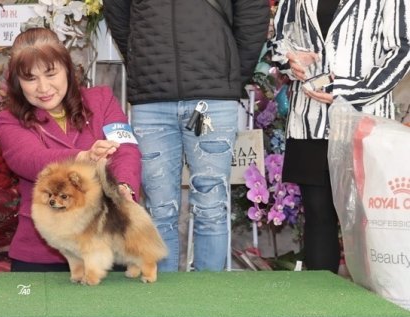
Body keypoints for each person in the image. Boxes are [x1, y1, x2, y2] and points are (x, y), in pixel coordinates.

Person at [104, 0, 269, 272]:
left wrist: (230, 75)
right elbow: (117, 12)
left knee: (211, 207)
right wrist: (141, 63)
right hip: (151, 99)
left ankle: (207, 294)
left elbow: (253, 12)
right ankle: (164, 294)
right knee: (158, 210)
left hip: (212, 99)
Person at [271, 0, 410, 272]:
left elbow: (403, 49)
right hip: (308, 118)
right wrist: (289, 61)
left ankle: (375, 293)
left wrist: (352, 90)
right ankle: (320, 297)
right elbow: (278, 38)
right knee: (317, 214)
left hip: (363, 120)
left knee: (369, 218)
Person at [0, 27, 142, 272]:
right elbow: (29, 159)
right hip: (41, 254)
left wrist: (124, 188)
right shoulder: (8, 120)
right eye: (30, 79)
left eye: (51, 73)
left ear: (67, 69)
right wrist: (83, 157)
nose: (43, 87)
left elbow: (125, 149)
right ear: (17, 83)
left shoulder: (102, 100)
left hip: (107, 248)